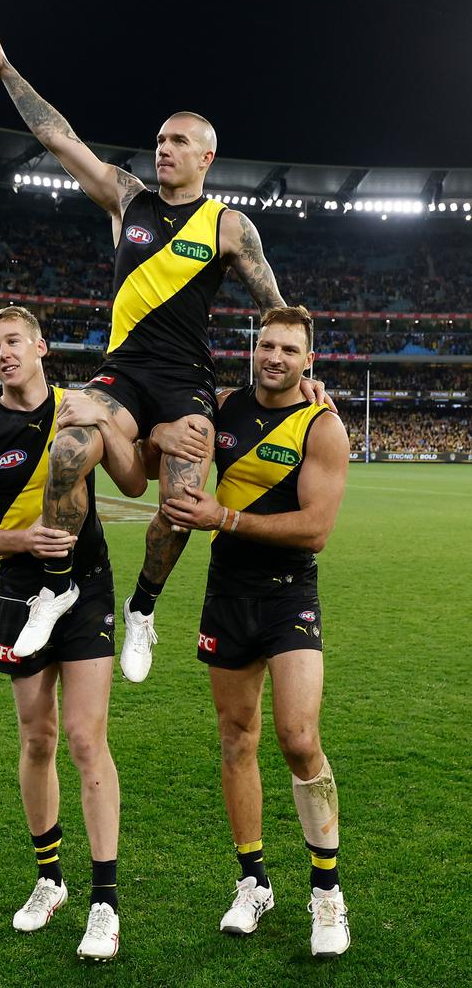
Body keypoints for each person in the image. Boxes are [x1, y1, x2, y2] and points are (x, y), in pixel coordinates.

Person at [0, 13, 312, 684]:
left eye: (178, 141)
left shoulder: (230, 226)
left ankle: (142, 608)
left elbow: (278, 309)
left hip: (186, 384)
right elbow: (56, 136)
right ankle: (57, 586)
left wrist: (308, 375)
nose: (163, 149)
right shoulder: (128, 199)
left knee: (180, 503)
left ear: (206, 156)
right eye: (159, 140)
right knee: (66, 449)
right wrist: (5, 70)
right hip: (122, 372)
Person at [0, 306, 145, 962]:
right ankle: (49, 879)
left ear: (40, 346)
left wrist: (109, 430)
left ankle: (105, 902)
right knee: (37, 738)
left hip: (87, 588)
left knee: (87, 740)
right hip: (19, 591)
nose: (0, 353)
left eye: (11, 342)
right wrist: (18, 538)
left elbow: (134, 479)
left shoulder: (82, 405)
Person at [161, 306, 351, 957]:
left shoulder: (322, 427)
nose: (274, 356)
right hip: (227, 595)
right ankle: (253, 882)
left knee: (299, 738)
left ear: (309, 360)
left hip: (289, 594)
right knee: (236, 739)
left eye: (288, 349)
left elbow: (316, 528)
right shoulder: (222, 409)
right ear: (255, 348)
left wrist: (227, 518)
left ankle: (326, 892)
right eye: (266, 345)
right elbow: (166, 440)